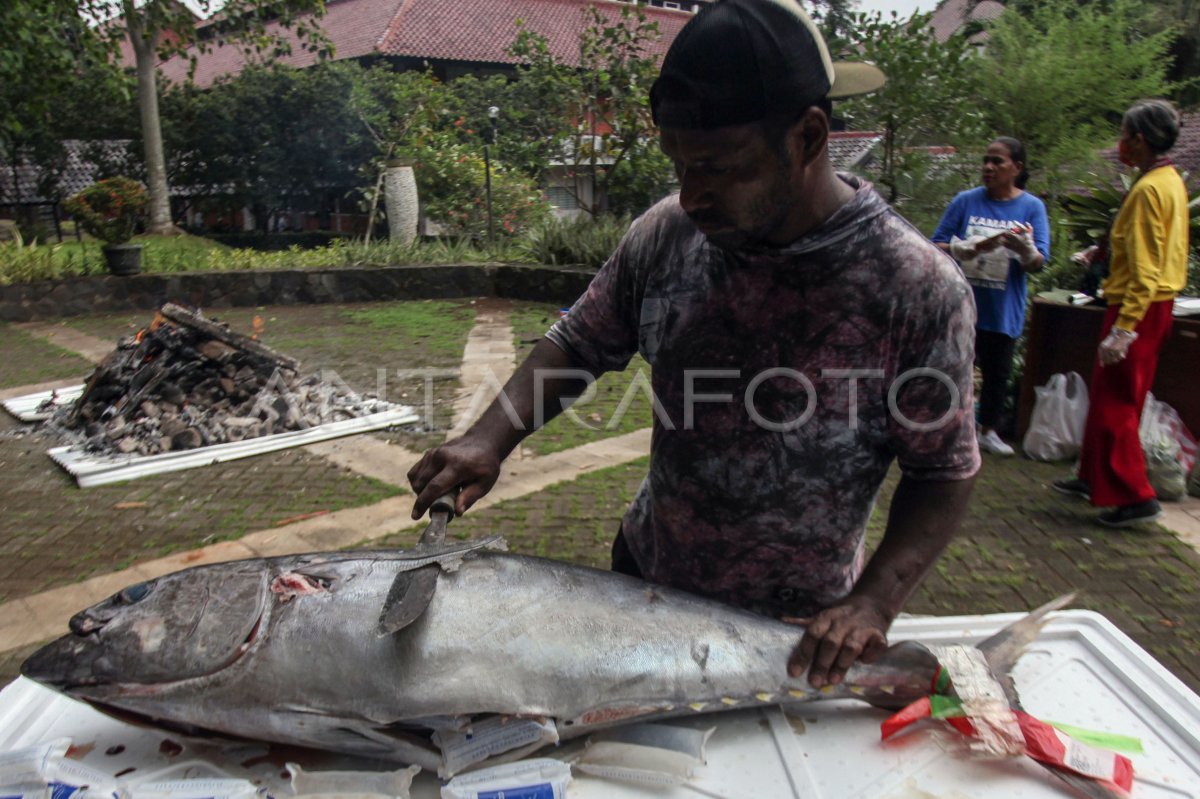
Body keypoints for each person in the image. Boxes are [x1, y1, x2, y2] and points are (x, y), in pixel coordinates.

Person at [408, 0, 980, 688]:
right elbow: (581, 341)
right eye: (679, 164)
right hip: (645, 586)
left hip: (795, 632)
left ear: (808, 136)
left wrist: (875, 600)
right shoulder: (667, 234)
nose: (692, 194)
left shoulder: (914, 287)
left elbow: (942, 469)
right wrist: (490, 437)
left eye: (720, 167)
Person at [1054, 99, 1189, 527]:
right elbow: (1153, 246)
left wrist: (1125, 329)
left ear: (1140, 140)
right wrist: (1105, 253)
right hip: (1146, 303)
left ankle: (1135, 495)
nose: (1120, 145)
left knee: (1118, 404)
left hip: (1139, 308)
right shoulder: (1165, 180)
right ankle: (1094, 476)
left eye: (1126, 135)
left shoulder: (1150, 188)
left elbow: (1148, 268)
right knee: (1107, 394)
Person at [932, 138, 1049, 456]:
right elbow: (933, 245)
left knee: (997, 372)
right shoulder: (965, 202)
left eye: (997, 161)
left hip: (1002, 308)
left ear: (1017, 168)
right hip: (961, 305)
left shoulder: (1031, 208)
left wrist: (1025, 249)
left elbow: (1039, 263)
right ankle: (948, 427)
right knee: (955, 368)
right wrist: (962, 248)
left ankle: (987, 430)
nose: (988, 167)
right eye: (986, 160)